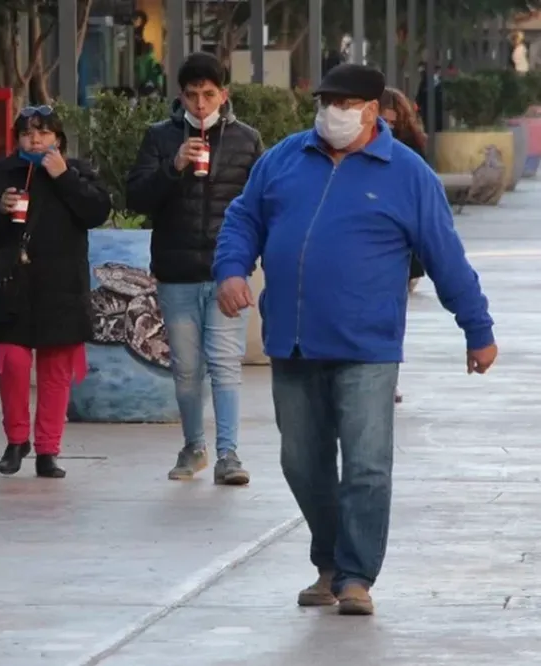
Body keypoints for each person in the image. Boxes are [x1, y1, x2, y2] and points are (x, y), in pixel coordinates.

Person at [213, 64, 497, 616]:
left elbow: (445, 255)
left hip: (367, 347)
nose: (331, 112)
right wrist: (230, 269)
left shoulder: (407, 174)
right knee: (302, 461)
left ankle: (356, 576)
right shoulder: (284, 159)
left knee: (366, 464)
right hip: (293, 341)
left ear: (373, 111)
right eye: (326, 101)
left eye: (344, 103)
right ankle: (331, 561)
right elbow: (244, 218)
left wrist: (477, 328)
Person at [125, 51, 263, 483]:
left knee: (224, 364)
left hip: (227, 273)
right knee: (186, 369)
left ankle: (229, 455)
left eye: (208, 94)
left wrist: (249, 262)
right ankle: (193, 447)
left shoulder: (247, 139)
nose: (200, 105)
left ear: (224, 93)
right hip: (177, 270)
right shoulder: (160, 138)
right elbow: (137, 199)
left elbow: (262, 207)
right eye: (191, 95)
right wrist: (174, 166)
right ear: (180, 97)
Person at [0, 106, 111, 478]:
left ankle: (48, 450)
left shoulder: (76, 171)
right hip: (14, 285)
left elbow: (97, 212)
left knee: (56, 370)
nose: (36, 140)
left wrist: (65, 178)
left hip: (60, 286)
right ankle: (16, 441)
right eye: (28, 134)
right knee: (11, 362)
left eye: (43, 133)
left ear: (57, 138)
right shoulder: (2, 173)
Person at [380, 86, 429, 404]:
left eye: (391, 122)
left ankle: (388, 377)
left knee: (393, 315)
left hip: (400, 248)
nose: (386, 128)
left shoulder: (411, 156)